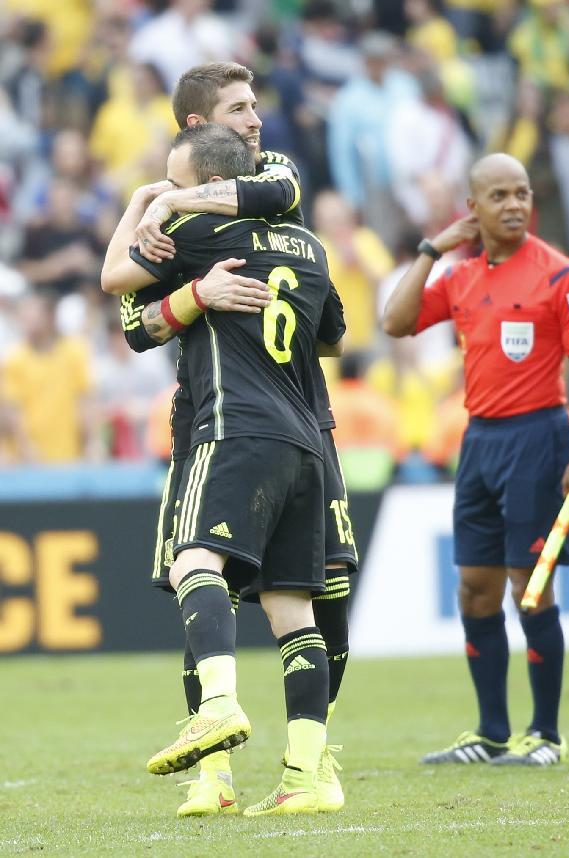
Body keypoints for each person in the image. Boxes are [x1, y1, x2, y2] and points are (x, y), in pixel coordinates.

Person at [103, 62, 357, 816]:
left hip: (236, 421)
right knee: (293, 601)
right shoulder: (306, 244)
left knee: (199, 570)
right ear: (200, 125)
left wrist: (156, 203)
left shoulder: (196, 219)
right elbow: (334, 333)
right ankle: (279, 775)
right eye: (240, 109)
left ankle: (222, 720)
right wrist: (198, 296)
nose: (257, 120)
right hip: (299, 430)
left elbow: (119, 294)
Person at [382, 153, 569, 766]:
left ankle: (546, 735)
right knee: (474, 593)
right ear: (472, 208)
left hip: (539, 439)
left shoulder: (563, 277)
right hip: (479, 442)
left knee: (530, 591)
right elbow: (394, 320)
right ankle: (489, 732)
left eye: (522, 193)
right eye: (499, 195)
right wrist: (432, 249)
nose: (514, 205)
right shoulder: (459, 278)